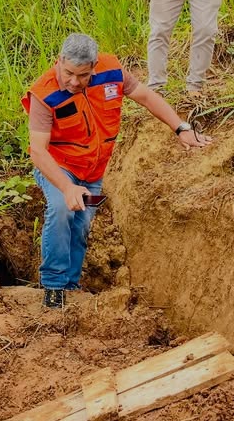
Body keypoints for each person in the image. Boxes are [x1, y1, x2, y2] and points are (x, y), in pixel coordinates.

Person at [23, 33, 211, 308]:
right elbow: (38, 151)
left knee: (82, 224)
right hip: (60, 167)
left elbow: (146, 96)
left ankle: (71, 286)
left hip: (94, 170)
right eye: (69, 73)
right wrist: (67, 187)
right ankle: (53, 287)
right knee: (62, 210)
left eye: (83, 75)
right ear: (59, 61)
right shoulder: (44, 93)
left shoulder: (111, 71)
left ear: (94, 66)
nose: (74, 82)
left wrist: (180, 127)